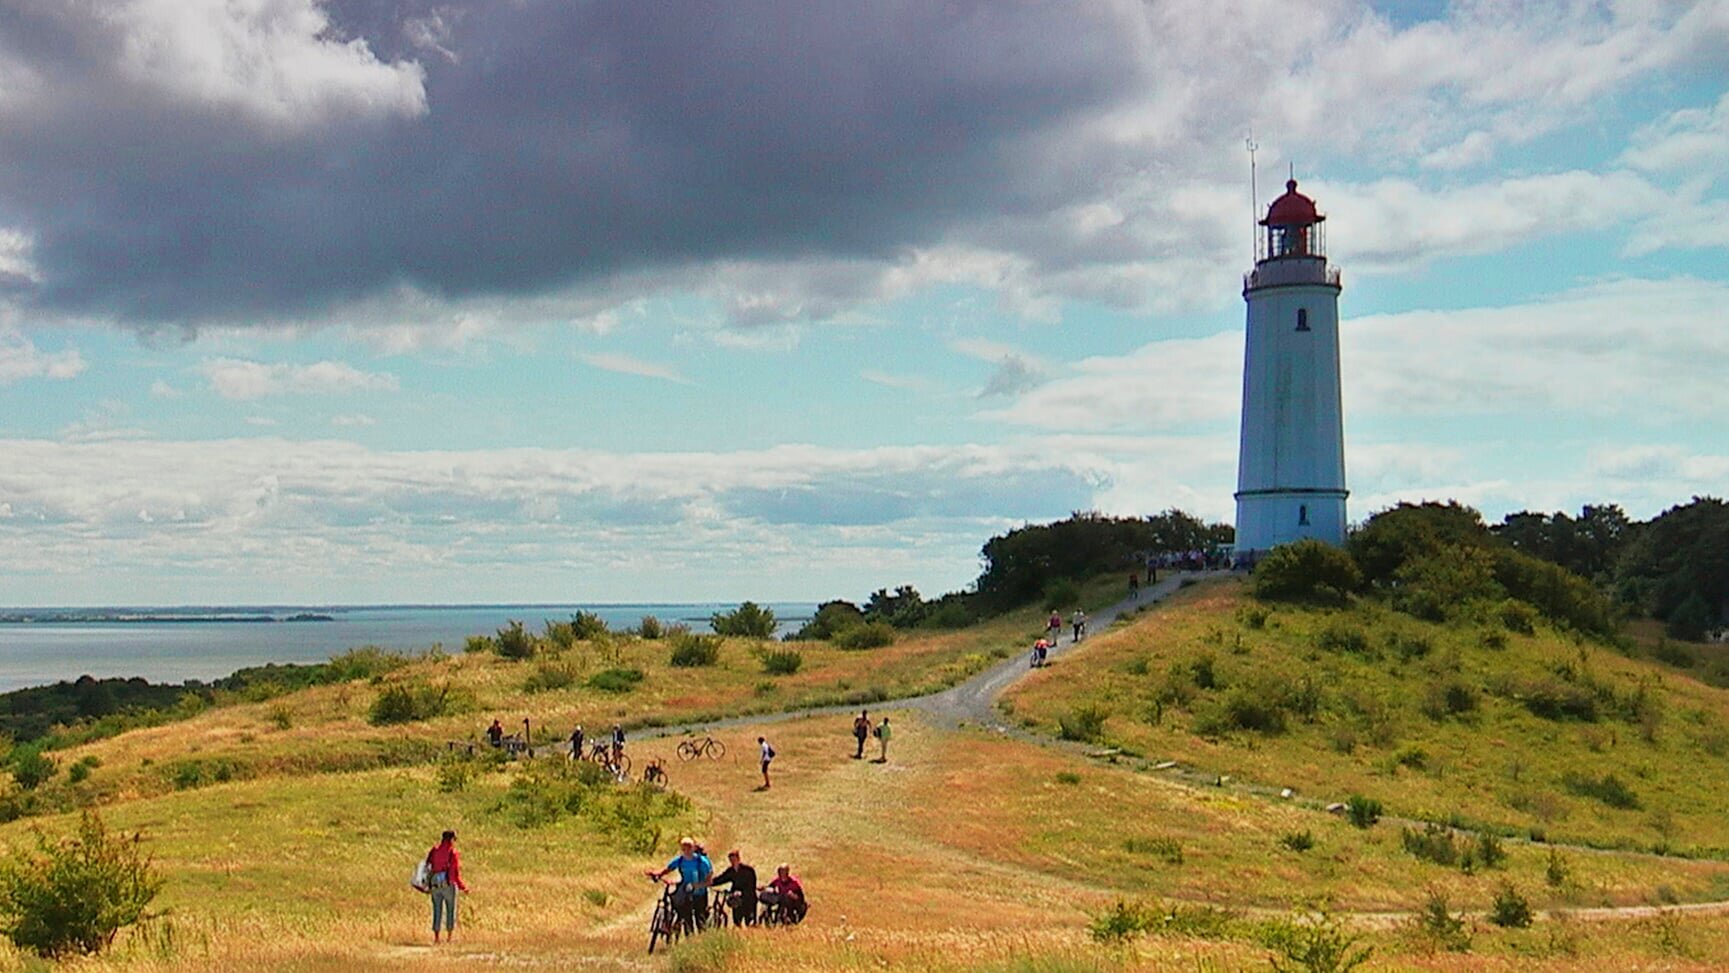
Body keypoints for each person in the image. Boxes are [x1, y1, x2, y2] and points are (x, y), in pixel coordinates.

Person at [646, 837, 712, 933]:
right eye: (684, 849)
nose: (686, 851)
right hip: (685, 892)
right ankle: (684, 935)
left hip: (699, 894)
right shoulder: (680, 860)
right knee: (686, 917)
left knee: (700, 921)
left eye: (689, 848)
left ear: (693, 848)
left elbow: (709, 881)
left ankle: (702, 940)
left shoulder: (702, 862)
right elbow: (668, 869)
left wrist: (696, 886)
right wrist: (657, 874)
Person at [425, 830, 469, 944]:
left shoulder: (434, 850)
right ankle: (449, 937)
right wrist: (462, 886)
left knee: (437, 910)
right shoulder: (452, 853)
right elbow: (455, 873)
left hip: (435, 883)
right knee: (450, 910)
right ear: (451, 839)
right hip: (448, 883)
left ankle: (436, 937)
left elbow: (428, 865)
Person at [705, 849, 759, 926]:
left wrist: (742, 892)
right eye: (731, 860)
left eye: (734, 859)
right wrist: (709, 883)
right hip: (737, 900)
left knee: (749, 921)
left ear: (738, 858)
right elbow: (722, 878)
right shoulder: (731, 871)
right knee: (737, 921)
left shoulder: (748, 870)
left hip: (749, 899)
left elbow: (752, 885)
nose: (732, 861)